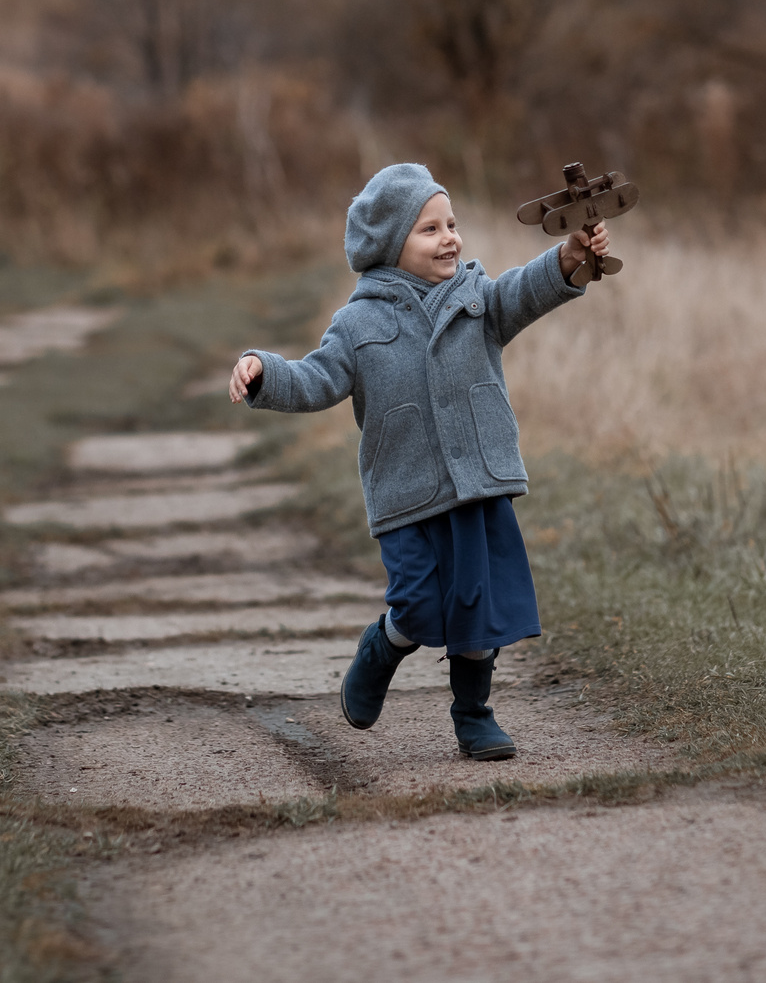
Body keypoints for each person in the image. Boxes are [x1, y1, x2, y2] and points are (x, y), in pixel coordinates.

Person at [228, 162, 612, 761]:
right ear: (389, 246)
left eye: (452, 224)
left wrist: (568, 258)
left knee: (476, 609)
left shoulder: (478, 300)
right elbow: (315, 378)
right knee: (417, 605)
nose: (450, 238)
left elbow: (525, 290)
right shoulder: (358, 325)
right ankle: (383, 647)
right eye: (429, 229)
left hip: (477, 483)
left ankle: (474, 714)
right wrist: (262, 370)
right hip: (407, 493)